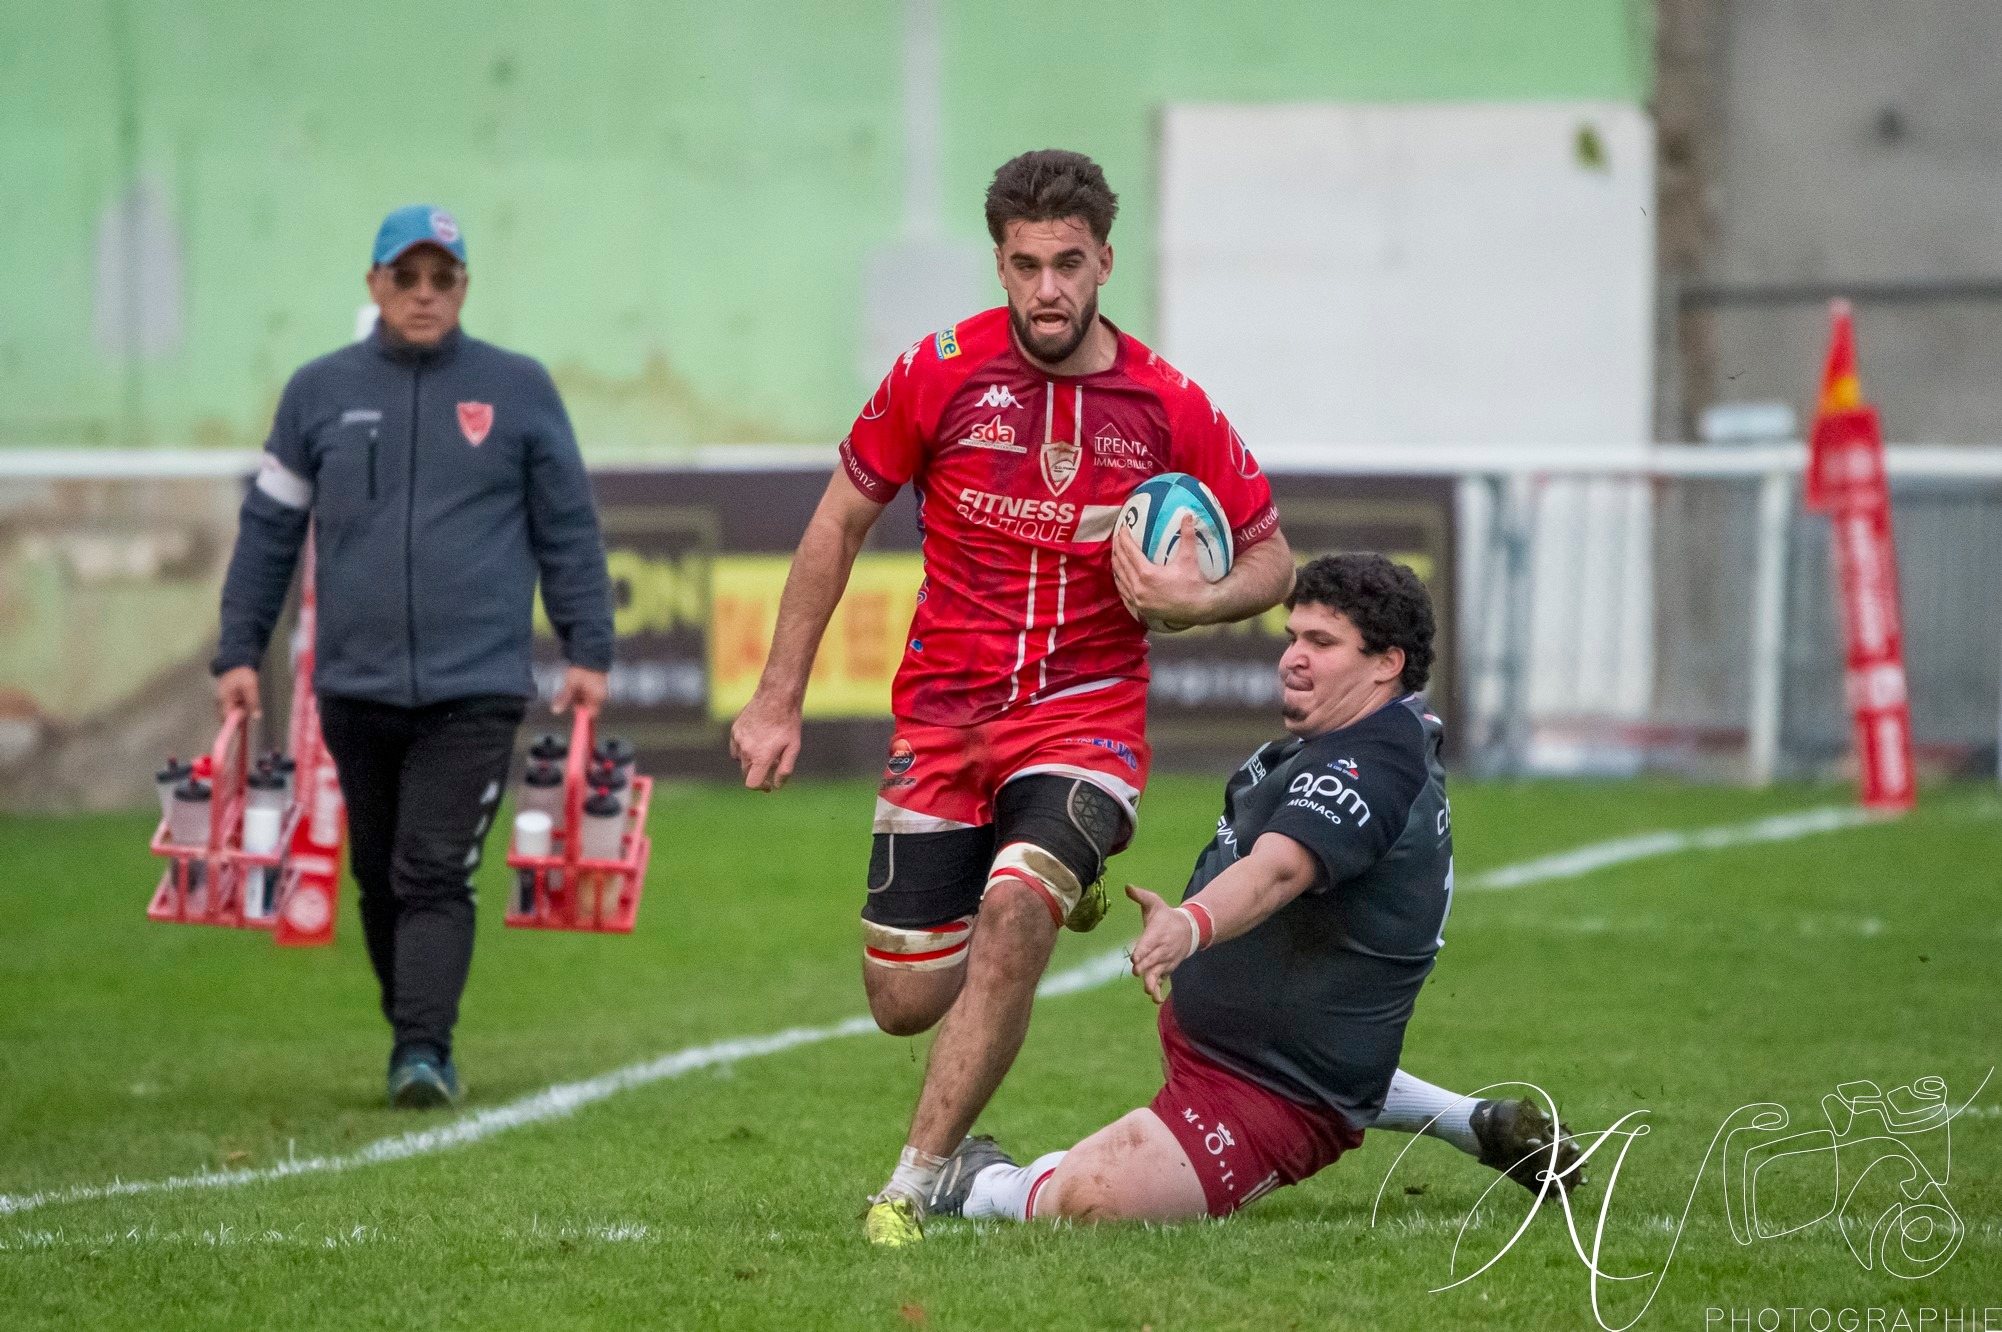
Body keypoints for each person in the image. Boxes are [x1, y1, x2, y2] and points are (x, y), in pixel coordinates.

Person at [727, 150, 1296, 1243]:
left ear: (1104, 263)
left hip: (1084, 717)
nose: (1047, 289)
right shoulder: (936, 373)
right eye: (1027, 265)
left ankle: (913, 1182)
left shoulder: (1168, 403)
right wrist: (775, 699)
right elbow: (838, 521)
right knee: (902, 1001)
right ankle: (1028, 887)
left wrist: (1199, 599)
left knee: (1015, 905)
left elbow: (1272, 558)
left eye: (1068, 264)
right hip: (943, 720)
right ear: (999, 263)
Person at [921, 554, 1587, 1224]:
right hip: (1262, 1044)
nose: (1293, 658)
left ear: (1387, 663)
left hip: (1275, 1089)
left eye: (1322, 643)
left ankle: (981, 1183)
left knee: (1094, 1199)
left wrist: (1189, 924)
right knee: (1332, 1045)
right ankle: (1472, 1123)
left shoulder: (1375, 764)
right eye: (1293, 637)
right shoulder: (1354, 736)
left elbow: (1279, 870)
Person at [211, 205, 614, 1108]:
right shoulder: (316, 392)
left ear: (464, 287)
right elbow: (269, 530)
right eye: (407, 276)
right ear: (375, 284)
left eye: (442, 277)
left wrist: (588, 644)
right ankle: (414, 1027)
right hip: (353, 683)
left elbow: (568, 526)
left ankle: (422, 1050)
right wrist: (238, 648)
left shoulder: (520, 388)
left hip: (477, 685)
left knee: (432, 869)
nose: (424, 293)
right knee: (379, 874)